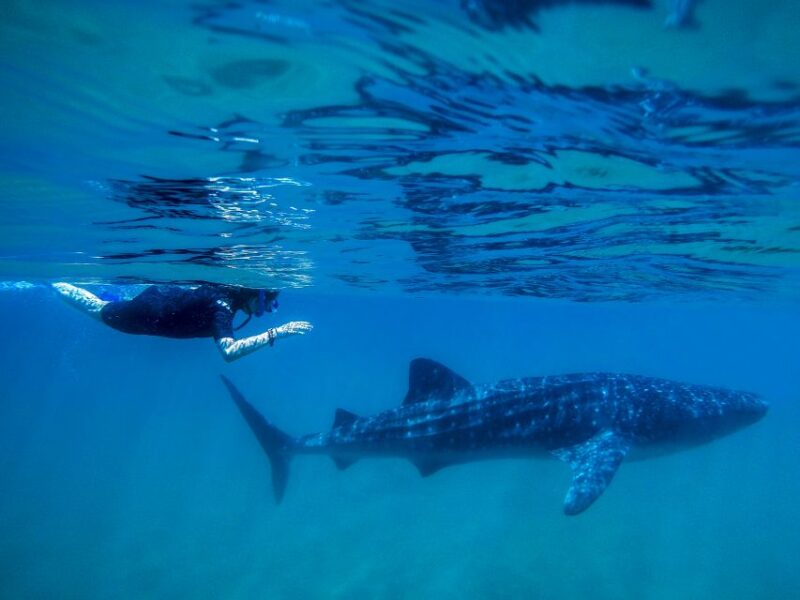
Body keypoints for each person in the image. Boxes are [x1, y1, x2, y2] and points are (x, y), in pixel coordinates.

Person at [52, 282, 312, 362]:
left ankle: (116, 292)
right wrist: (277, 333)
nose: (267, 307)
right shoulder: (223, 306)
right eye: (267, 300)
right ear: (253, 293)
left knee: (113, 300)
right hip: (145, 314)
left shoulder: (225, 293)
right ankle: (53, 284)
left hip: (160, 294)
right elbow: (229, 352)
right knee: (96, 308)